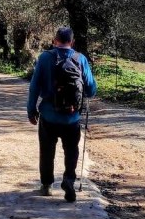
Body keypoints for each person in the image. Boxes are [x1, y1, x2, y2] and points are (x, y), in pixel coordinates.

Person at [26, 26, 97, 202]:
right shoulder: (80, 59)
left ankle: (46, 185)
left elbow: (34, 86)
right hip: (72, 117)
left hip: (49, 115)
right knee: (71, 151)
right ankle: (68, 180)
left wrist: (31, 110)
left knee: (47, 151)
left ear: (54, 41)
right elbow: (91, 89)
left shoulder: (44, 58)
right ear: (72, 42)